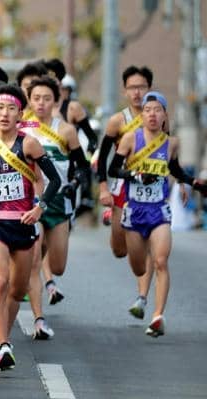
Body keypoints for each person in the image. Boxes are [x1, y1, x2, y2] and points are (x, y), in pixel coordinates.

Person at [108, 91, 207, 336]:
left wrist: (193, 182)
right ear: (142, 116)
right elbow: (113, 170)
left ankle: (157, 316)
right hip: (134, 210)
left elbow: (175, 169)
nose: (152, 114)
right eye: (147, 110)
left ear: (164, 116)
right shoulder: (130, 139)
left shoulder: (171, 143)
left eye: (157, 110)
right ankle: (143, 294)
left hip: (159, 210)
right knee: (139, 267)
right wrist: (135, 175)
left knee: (161, 261)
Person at [0, 84, 61, 370]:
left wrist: (39, 207)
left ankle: (4, 336)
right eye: (0, 108)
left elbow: (54, 180)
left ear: (20, 114)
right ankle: (3, 343)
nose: (5, 114)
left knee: (16, 291)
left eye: (11, 108)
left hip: (24, 224)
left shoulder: (29, 144)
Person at [23, 76, 90, 339]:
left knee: (58, 265)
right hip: (31, 202)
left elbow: (83, 166)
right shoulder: (21, 126)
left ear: (57, 100)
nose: (41, 103)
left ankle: (46, 271)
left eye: (47, 98)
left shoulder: (66, 131)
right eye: (36, 98)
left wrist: (75, 183)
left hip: (59, 201)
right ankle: (39, 319)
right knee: (34, 260)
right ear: (29, 100)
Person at [97, 66, 157, 318]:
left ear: (149, 88)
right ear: (125, 91)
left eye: (141, 87)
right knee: (120, 250)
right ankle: (111, 218)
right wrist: (103, 187)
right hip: (123, 186)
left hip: (151, 189)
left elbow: (168, 153)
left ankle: (141, 298)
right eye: (132, 88)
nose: (137, 92)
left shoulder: (158, 117)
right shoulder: (117, 121)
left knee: (149, 241)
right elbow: (103, 157)